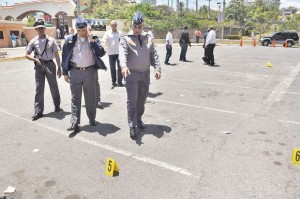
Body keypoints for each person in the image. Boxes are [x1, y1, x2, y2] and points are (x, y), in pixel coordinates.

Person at [119, 12, 161, 139]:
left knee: (141, 101)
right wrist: (124, 66)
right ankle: (132, 125)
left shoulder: (148, 38)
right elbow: (122, 55)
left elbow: (154, 55)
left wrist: (157, 68)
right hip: (131, 74)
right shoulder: (126, 39)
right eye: (135, 27)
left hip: (145, 74)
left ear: (143, 26)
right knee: (132, 101)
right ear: (132, 26)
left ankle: (138, 119)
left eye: (140, 27)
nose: (137, 29)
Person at [62, 16, 106, 132]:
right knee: (75, 98)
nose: (81, 33)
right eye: (79, 30)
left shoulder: (93, 38)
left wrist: (91, 40)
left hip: (90, 72)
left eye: (83, 30)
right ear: (76, 29)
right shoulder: (70, 39)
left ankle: (92, 119)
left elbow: (101, 53)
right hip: (75, 72)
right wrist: (65, 73)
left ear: (87, 29)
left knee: (90, 98)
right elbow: (65, 57)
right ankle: (74, 122)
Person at [25, 21, 61, 121]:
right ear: (36, 29)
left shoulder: (51, 40)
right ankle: (38, 111)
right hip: (38, 66)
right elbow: (27, 54)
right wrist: (35, 60)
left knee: (53, 86)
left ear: (44, 28)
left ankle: (57, 106)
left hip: (50, 64)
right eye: (38, 28)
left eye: (42, 28)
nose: (40, 29)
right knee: (39, 88)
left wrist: (59, 68)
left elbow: (57, 54)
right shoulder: (33, 41)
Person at [102, 20, 123, 88]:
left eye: (115, 25)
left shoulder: (120, 33)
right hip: (111, 53)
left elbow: (123, 42)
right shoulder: (107, 33)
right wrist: (105, 47)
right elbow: (104, 41)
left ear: (116, 25)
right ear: (110, 26)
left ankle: (120, 81)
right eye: (112, 25)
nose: (114, 26)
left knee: (120, 67)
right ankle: (113, 82)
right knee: (112, 68)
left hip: (119, 53)